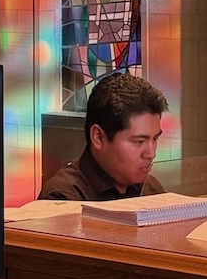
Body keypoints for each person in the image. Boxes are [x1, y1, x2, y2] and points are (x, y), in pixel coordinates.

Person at [39, 72, 167, 201]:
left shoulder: (151, 189)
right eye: (139, 141)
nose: (151, 154)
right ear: (98, 137)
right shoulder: (63, 196)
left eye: (155, 139)